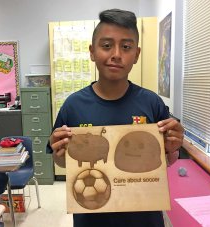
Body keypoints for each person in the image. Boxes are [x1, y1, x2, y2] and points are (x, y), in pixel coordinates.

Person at [48, 9, 184, 227]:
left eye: (126, 47)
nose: (117, 54)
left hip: (144, 217)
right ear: (92, 52)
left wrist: (173, 146)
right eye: (107, 45)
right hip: (91, 218)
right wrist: (58, 151)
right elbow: (61, 161)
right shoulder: (73, 106)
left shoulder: (152, 103)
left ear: (137, 54)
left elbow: (167, 160)